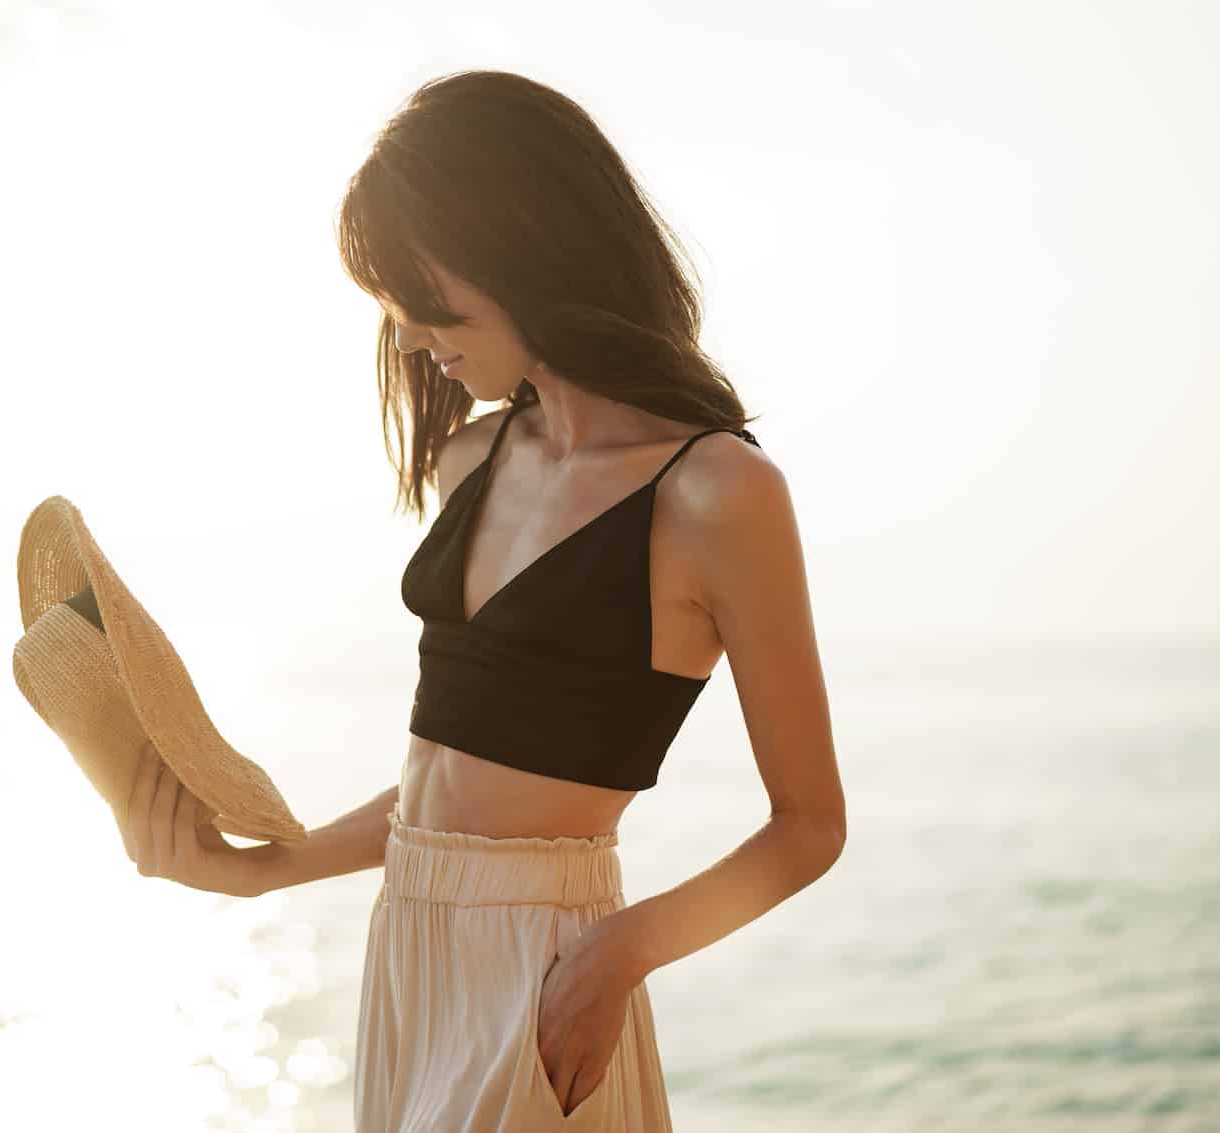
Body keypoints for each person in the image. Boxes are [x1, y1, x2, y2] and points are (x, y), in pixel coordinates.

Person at [121, 70, 846, 1131]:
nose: (410, 340)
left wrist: (620, 951)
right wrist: (257, 873)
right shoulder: (472, 459)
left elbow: (808, 825)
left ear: (527, 254)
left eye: (426, 303)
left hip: (549, 970)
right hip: (408, 948)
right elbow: (445, 793)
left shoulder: (716, 492)